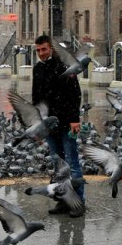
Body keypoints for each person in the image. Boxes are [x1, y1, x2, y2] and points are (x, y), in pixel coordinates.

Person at [31, 34, 85, 215]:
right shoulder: (37, 68)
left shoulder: (64, 65)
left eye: (44, 49)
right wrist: (38, 126)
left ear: (51, 48)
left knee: (72, 164)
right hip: (48, 125)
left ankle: (78, 204)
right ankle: (63, 202)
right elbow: (36, 99)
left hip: (67, 121)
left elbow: (75, 93)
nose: (41, 53)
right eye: (38, 50)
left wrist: (74, 119)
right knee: (58, 166)